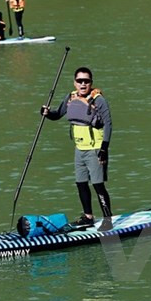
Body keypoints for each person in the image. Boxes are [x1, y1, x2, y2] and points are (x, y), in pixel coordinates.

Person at [42, 67, 114, 231]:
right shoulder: (70, 97)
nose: (83, 84)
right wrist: (46, 113)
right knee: (81, 184)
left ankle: (108, 220)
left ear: (91, 83)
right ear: (75, 82)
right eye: (80, 81)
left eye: (86, 81)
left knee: (98, 185)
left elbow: (108, 124)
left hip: (96, 149)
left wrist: (104, 148)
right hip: (79, 149)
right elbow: (57, 114)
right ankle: (88, 217)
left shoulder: (99, 100)